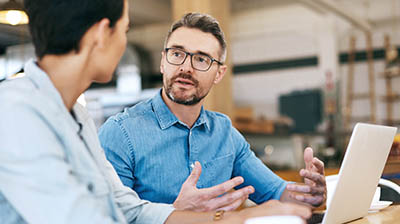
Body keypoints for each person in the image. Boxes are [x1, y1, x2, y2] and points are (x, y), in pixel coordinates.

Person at [0, 0, 312, 223]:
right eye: (124, 30)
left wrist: (233, 219)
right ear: (101, 34)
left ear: (219, 72)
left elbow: (128, 209)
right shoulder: (14, 113)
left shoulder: (75, 115)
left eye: (202, 59)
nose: (124, 43)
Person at [98, 12, 327, 212]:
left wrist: (310, 195)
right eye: (177, 54)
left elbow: (277, 193)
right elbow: (105, 218)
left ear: (219, 73)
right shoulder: (120, 133)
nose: (186, 67)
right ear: (162, 62)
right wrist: (175, 212)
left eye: (201, 59)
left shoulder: (225, 134)